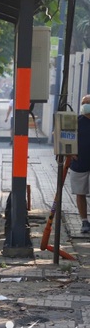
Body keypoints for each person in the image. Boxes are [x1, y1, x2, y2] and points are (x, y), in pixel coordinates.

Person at [70, 95, 90, 233]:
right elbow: (64, 137)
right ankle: (84, 221)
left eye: (88, 103)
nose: (85, 105)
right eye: (83, 103)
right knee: (80, 192)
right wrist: (69, 151)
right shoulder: (76, 122)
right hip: (79, 163)